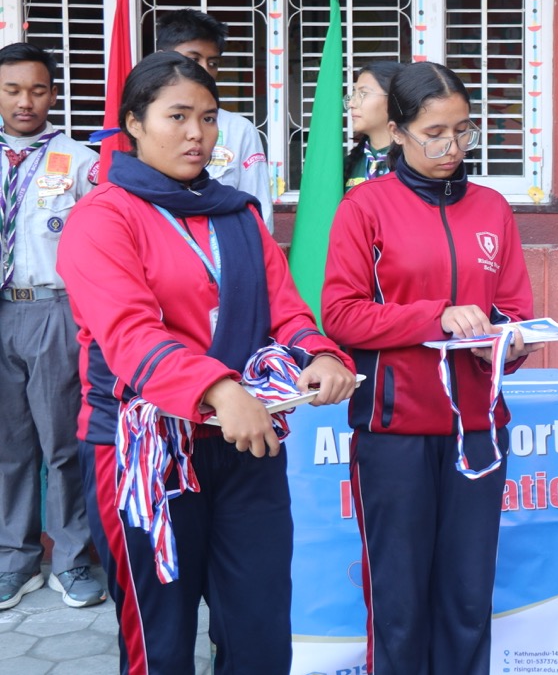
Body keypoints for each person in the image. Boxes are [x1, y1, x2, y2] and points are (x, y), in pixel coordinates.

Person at [58, 51, 357, 674]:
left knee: (259, 632)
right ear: (134, 123)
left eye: (209, 117)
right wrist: (219, 390)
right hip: (143, 453)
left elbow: (286, 311)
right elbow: (129, 333)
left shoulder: (237, 213)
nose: (197, 133)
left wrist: (321, 352)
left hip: (245, 444)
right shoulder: (102, 217)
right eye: (178, 116)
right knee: (160, 641)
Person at [322, 61, 537, 675]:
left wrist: (509, 343)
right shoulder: (365, 207)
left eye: (463, 131)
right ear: (396, 132)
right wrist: (435, 318)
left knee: (468, 598)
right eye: (434, 133)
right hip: (395, 430)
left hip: (479, 429)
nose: (452, 147)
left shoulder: (492, 208)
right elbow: (340, 314)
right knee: (399, 601)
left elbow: (514, 309)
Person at [0, 43, 106, 610]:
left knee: (62, 441)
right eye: (13, 90)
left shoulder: (81, 161)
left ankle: (71, 559)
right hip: (1, 308)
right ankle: (15, 560)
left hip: (54, 310)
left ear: (53, 94)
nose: (26, 101)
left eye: (38, 90)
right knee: (8, 445)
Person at [155, 8, 275, 232]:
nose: (204, 70)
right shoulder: (144, 122)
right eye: (193, 59)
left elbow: (260, 212)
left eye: (213, 63)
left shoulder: (239, 130)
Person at [343, 60, 401, 190]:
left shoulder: (417, 163)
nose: (351, 104)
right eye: (353, 94)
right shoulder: (349, 165)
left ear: (394, 99)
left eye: (363, 94)